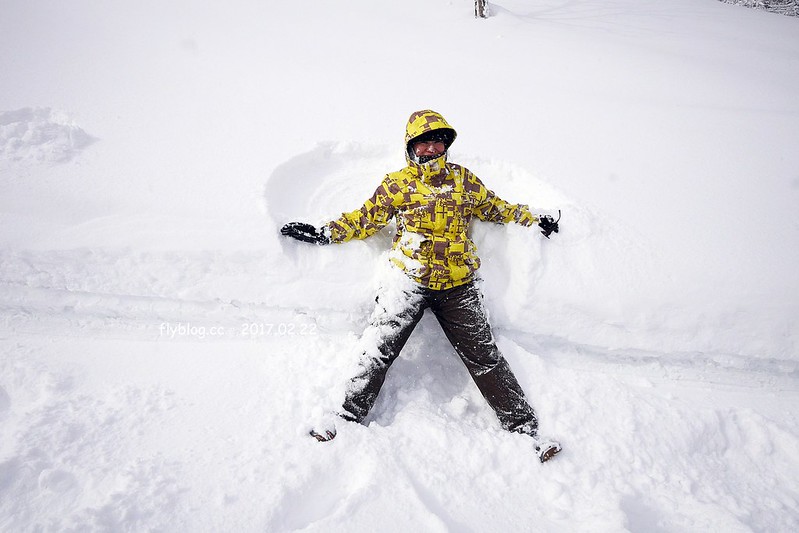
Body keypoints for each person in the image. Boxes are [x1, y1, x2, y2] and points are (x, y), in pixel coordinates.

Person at [281, 110, 562, 462]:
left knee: (484, 357)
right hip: (408, 280)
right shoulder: (397, 183)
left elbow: (496, 208)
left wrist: (534, 218)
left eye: (438, 141)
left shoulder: (464, 181)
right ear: (411, 147)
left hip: (459, 286)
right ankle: (343, 417)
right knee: (378, 348)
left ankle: (526, 430)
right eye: (423, 142)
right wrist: (324, 233)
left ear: (446, 145)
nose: (431, 148)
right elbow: (365, 219)